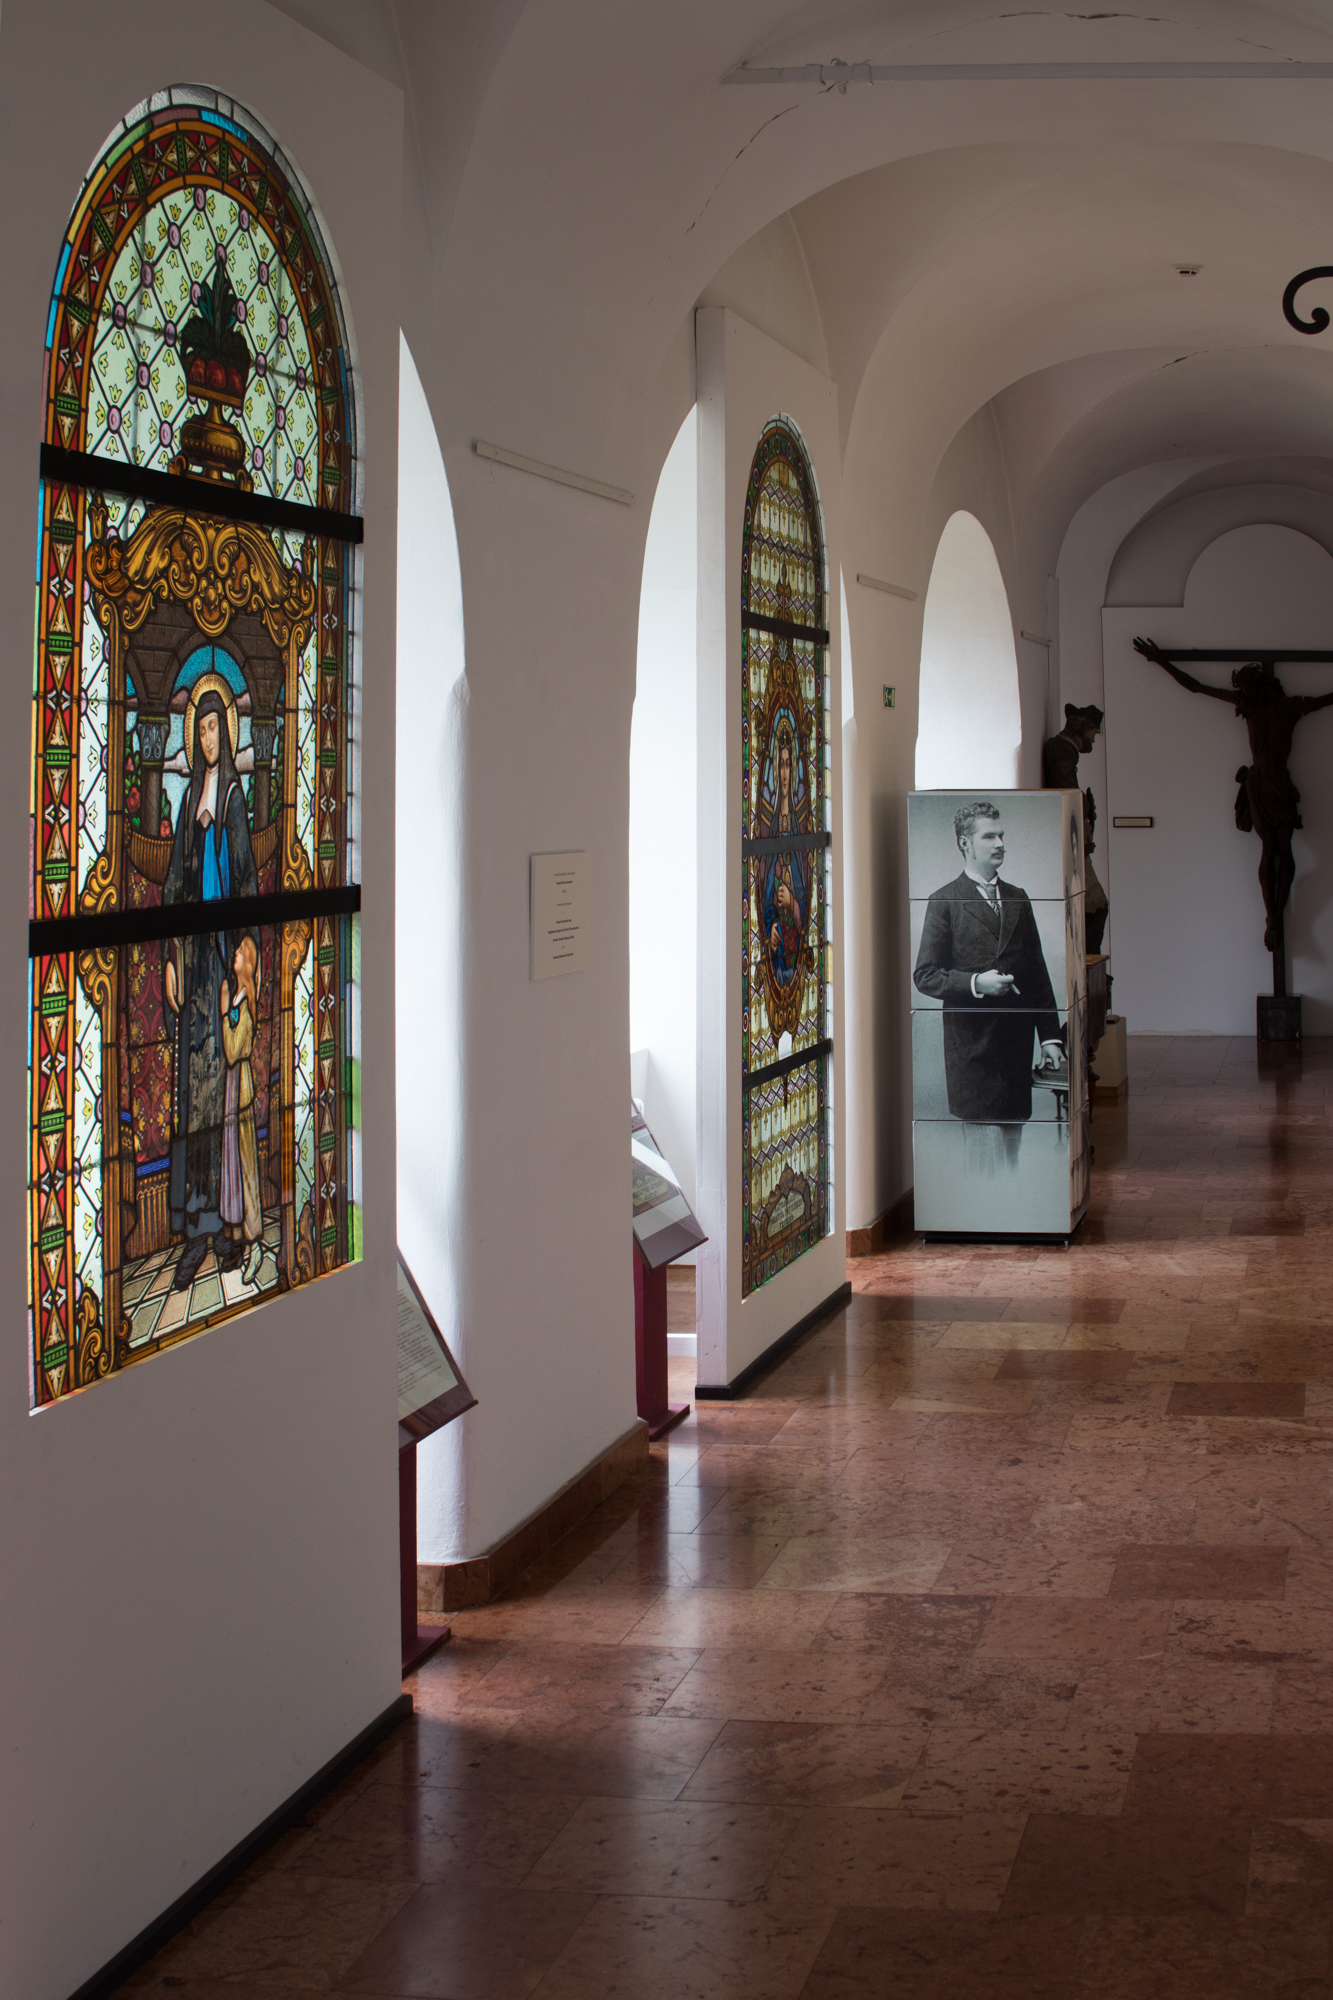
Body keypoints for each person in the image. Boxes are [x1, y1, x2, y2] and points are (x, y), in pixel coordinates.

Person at [162, 684, 259, 1289]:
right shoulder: (187, 802)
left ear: (226, 731)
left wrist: (244, 959)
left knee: (224, 1096)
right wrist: (172, 956)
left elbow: (246, 879)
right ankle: (195, 1232)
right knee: (192, 1098)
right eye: (200, 729)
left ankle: (226, 1225)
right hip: (193, 964)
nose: (208, 738)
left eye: (215, 727)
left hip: (223, 962)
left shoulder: (232, 798)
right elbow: (174, 882)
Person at [913, 801, 1064, 1122]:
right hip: (972, 1049)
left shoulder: (1018, 897)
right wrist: (976, 983)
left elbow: (1037, 973)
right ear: (965, 843)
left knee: (1013, 1139)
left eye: (1001, 836)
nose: (1000, 844)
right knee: (984, 1142)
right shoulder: (944, 901)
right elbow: (925, 975)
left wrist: (1050, 1038)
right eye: (989, 837)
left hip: (1017, 1045)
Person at [220, 934, 264, 1286]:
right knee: (233, 1166)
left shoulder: (244, 1003)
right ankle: (238, 1241)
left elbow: (234, 1052)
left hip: (241, 1089)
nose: (234, 952)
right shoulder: (238, 996)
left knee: (247, 1170)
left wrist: (224, 1015)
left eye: (240, 951)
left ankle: (255, 1246)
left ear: (246, 962)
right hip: (232, 1090)